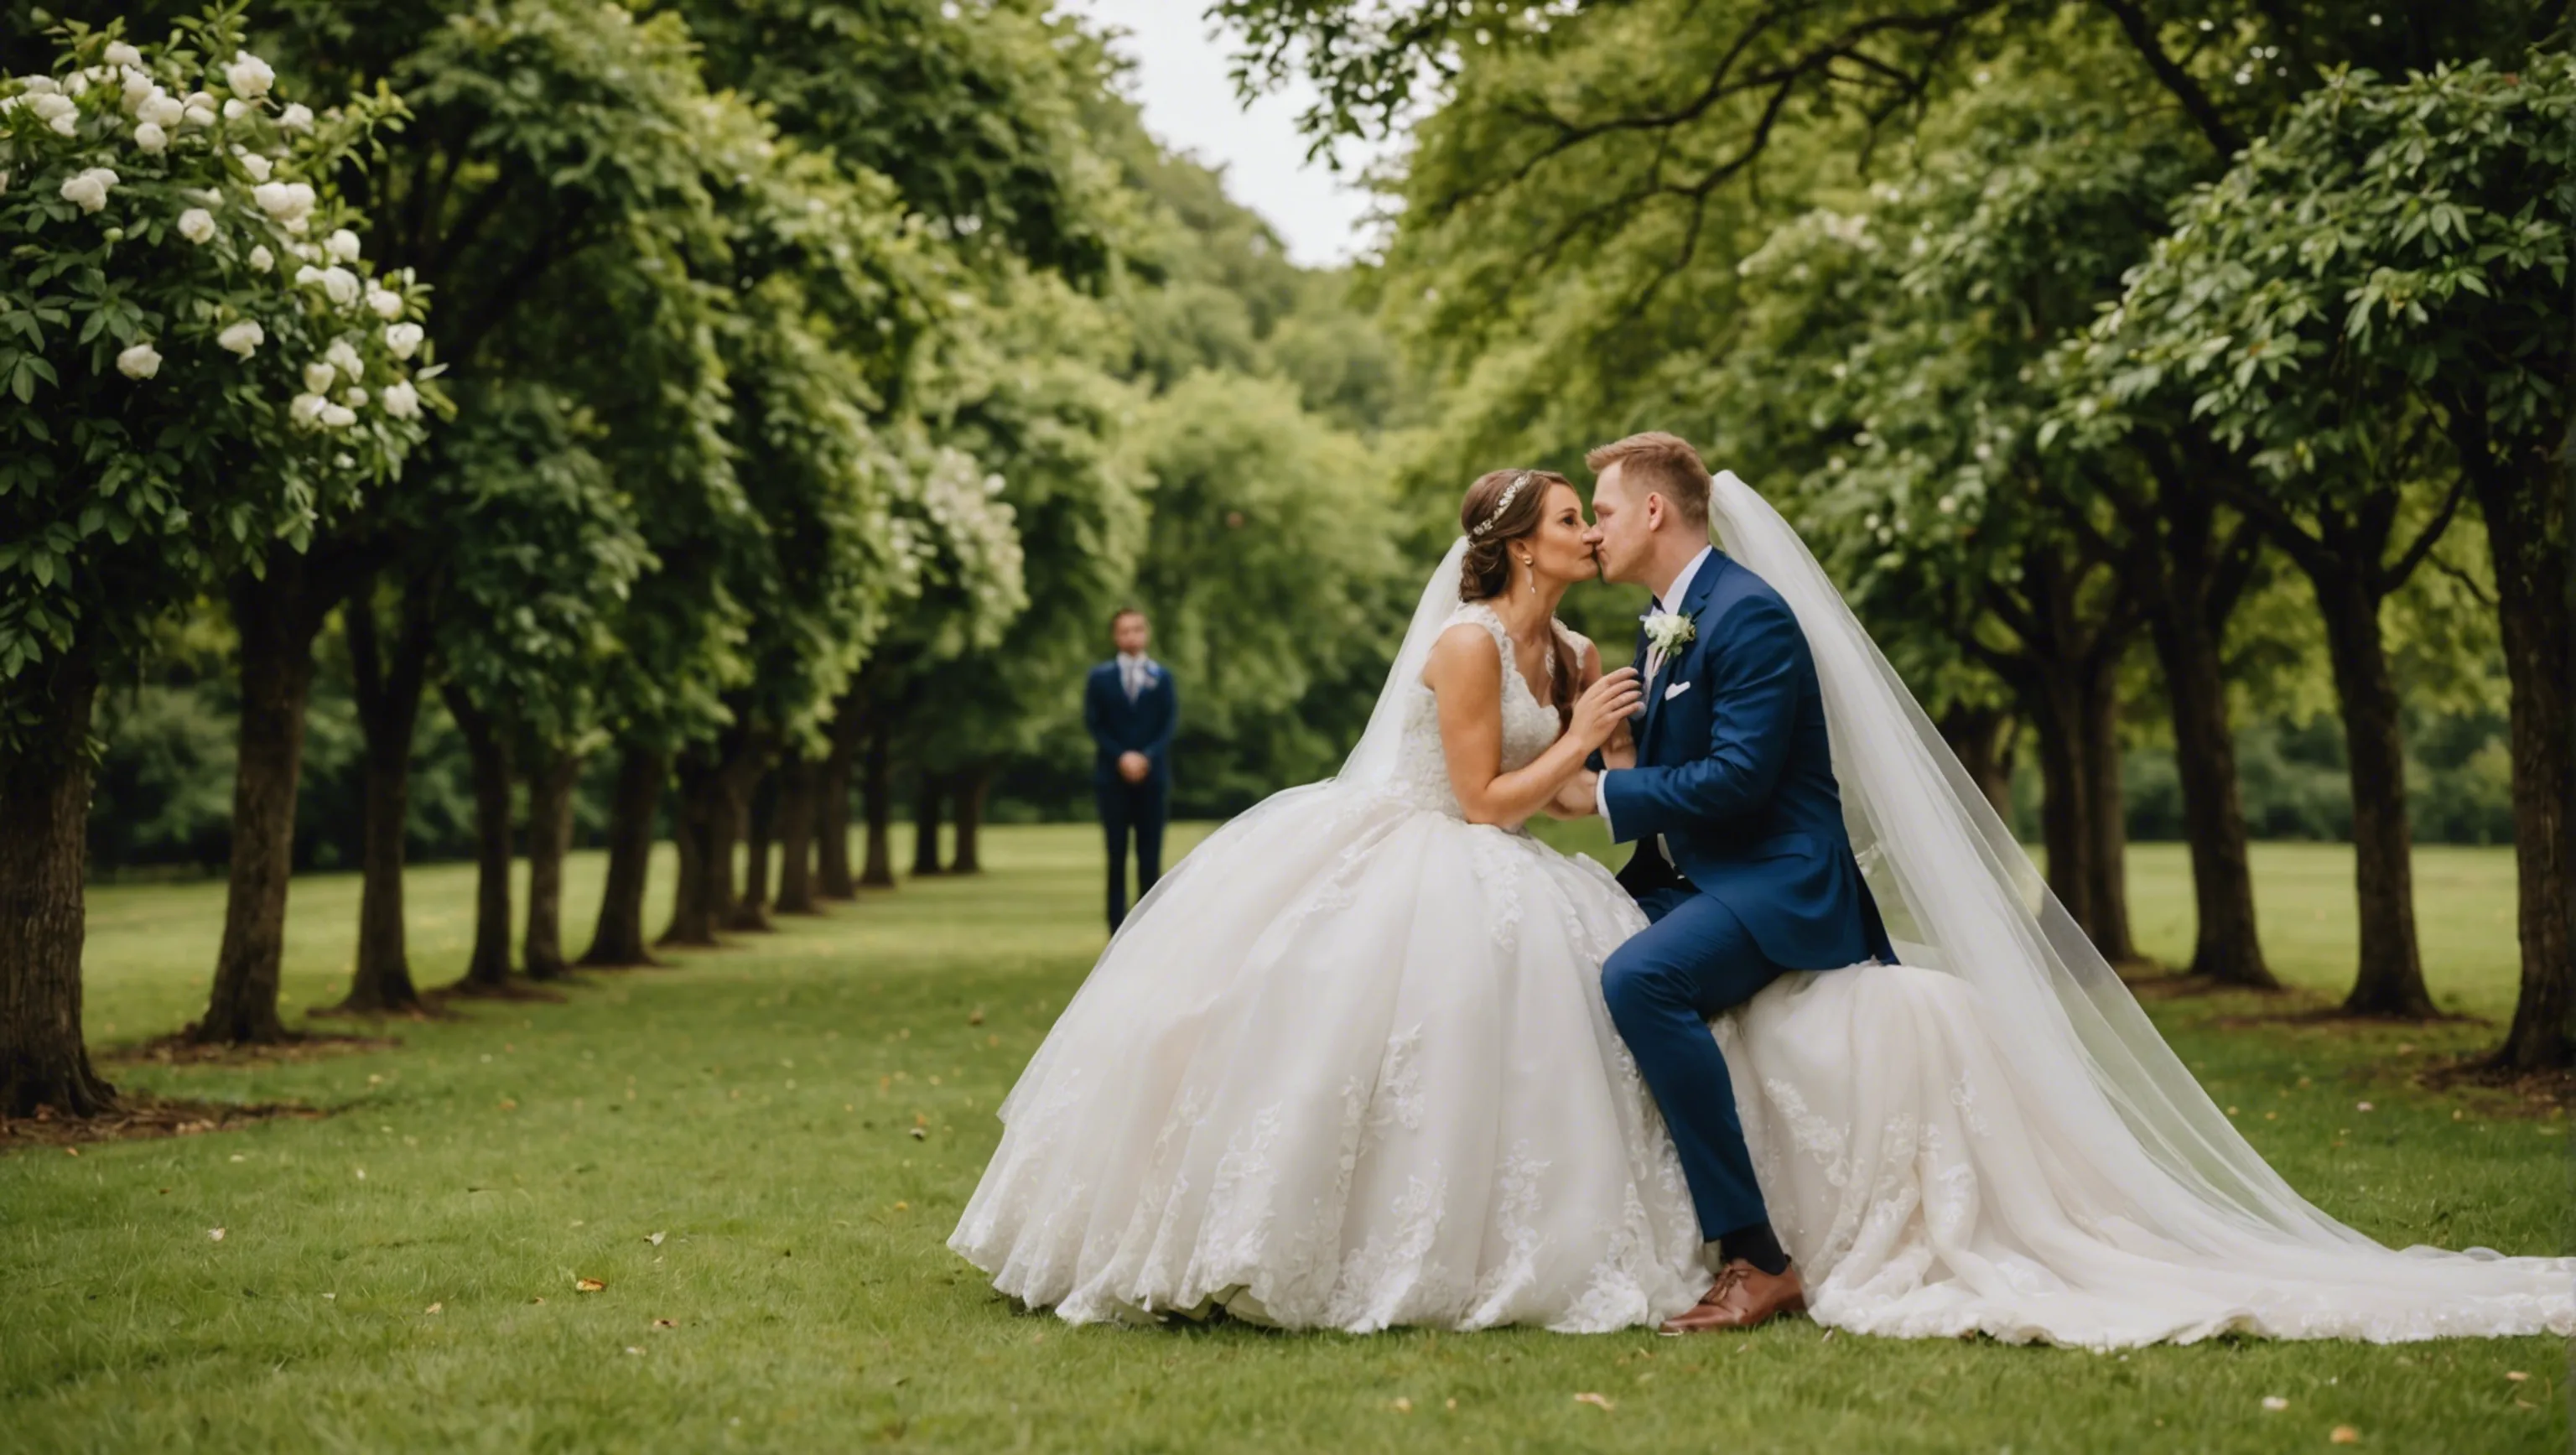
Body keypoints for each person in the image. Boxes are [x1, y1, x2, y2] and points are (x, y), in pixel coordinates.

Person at [953, 451, 2574, 1345]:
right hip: (1445, 856)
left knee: (1631, 986)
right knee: (1516, 1009)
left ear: (1645, 518)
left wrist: (1604, 767)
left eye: (1603, 506)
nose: (1588, 526)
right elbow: (1474, 794)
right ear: (1521, 541)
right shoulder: (1511, 642)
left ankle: (1750, 1249)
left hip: (1747, 878)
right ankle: (1697, 1242)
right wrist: (1590, 761)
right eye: (1567, 514)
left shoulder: (1705, 627)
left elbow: (1699, 782)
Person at [1083, 608, 1176, 932]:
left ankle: (1149, 927)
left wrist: (1146, 756)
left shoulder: (1162, 678)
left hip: (1153, 777)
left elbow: (1168, 724)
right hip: (1113, 777)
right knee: (1116, 853)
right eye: (1124, 631)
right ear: (1115, 636)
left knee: (1150, 854)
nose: (1131, 636)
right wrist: (1121, 756)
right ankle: (1115, 928)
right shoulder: (1100, 679)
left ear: (1146, 632)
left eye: (1137, 629)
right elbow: (1095, 724)